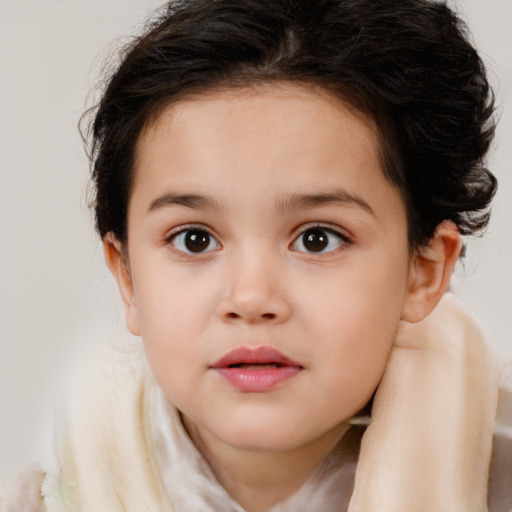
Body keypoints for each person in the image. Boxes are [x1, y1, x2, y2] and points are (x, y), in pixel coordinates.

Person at [1, 0, 510, 510]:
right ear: (128, 277)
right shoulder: (47, 497)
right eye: (194, 239)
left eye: (318, 238)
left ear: (423, 272)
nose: (250, 298)